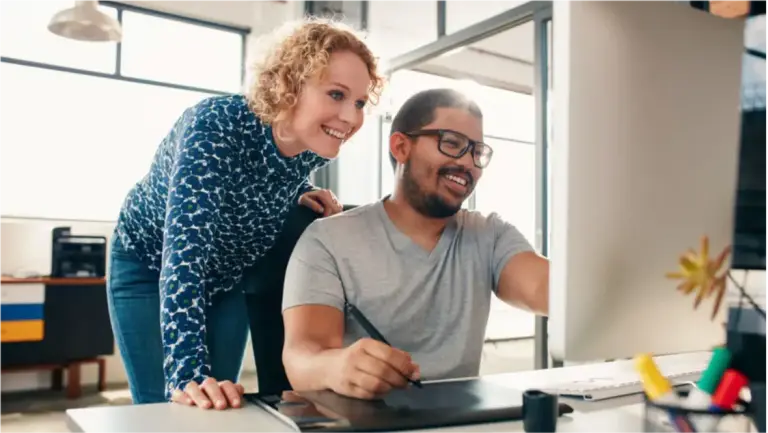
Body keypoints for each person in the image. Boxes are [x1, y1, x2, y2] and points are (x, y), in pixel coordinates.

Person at [107, 18, 384, 409]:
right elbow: (185, 257)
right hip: (150, 268)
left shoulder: (307, 146)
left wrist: (299, 192)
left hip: (226, 278)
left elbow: (256, 178)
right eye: (336, 94)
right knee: (171, 406)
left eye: (358, 102)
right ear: (289, 84)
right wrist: (187, 373)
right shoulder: (214, 127)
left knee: (220, 405)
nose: (352, 118)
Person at [281, 88, 549, 400]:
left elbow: (549, 290)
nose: (469, 164)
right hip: (364, 421)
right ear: (401, 146)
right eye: (452, 144)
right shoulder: (327, 240)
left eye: (477, 152)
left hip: (460, 423)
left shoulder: (490, 234)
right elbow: (302, 357)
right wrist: (335, 366)